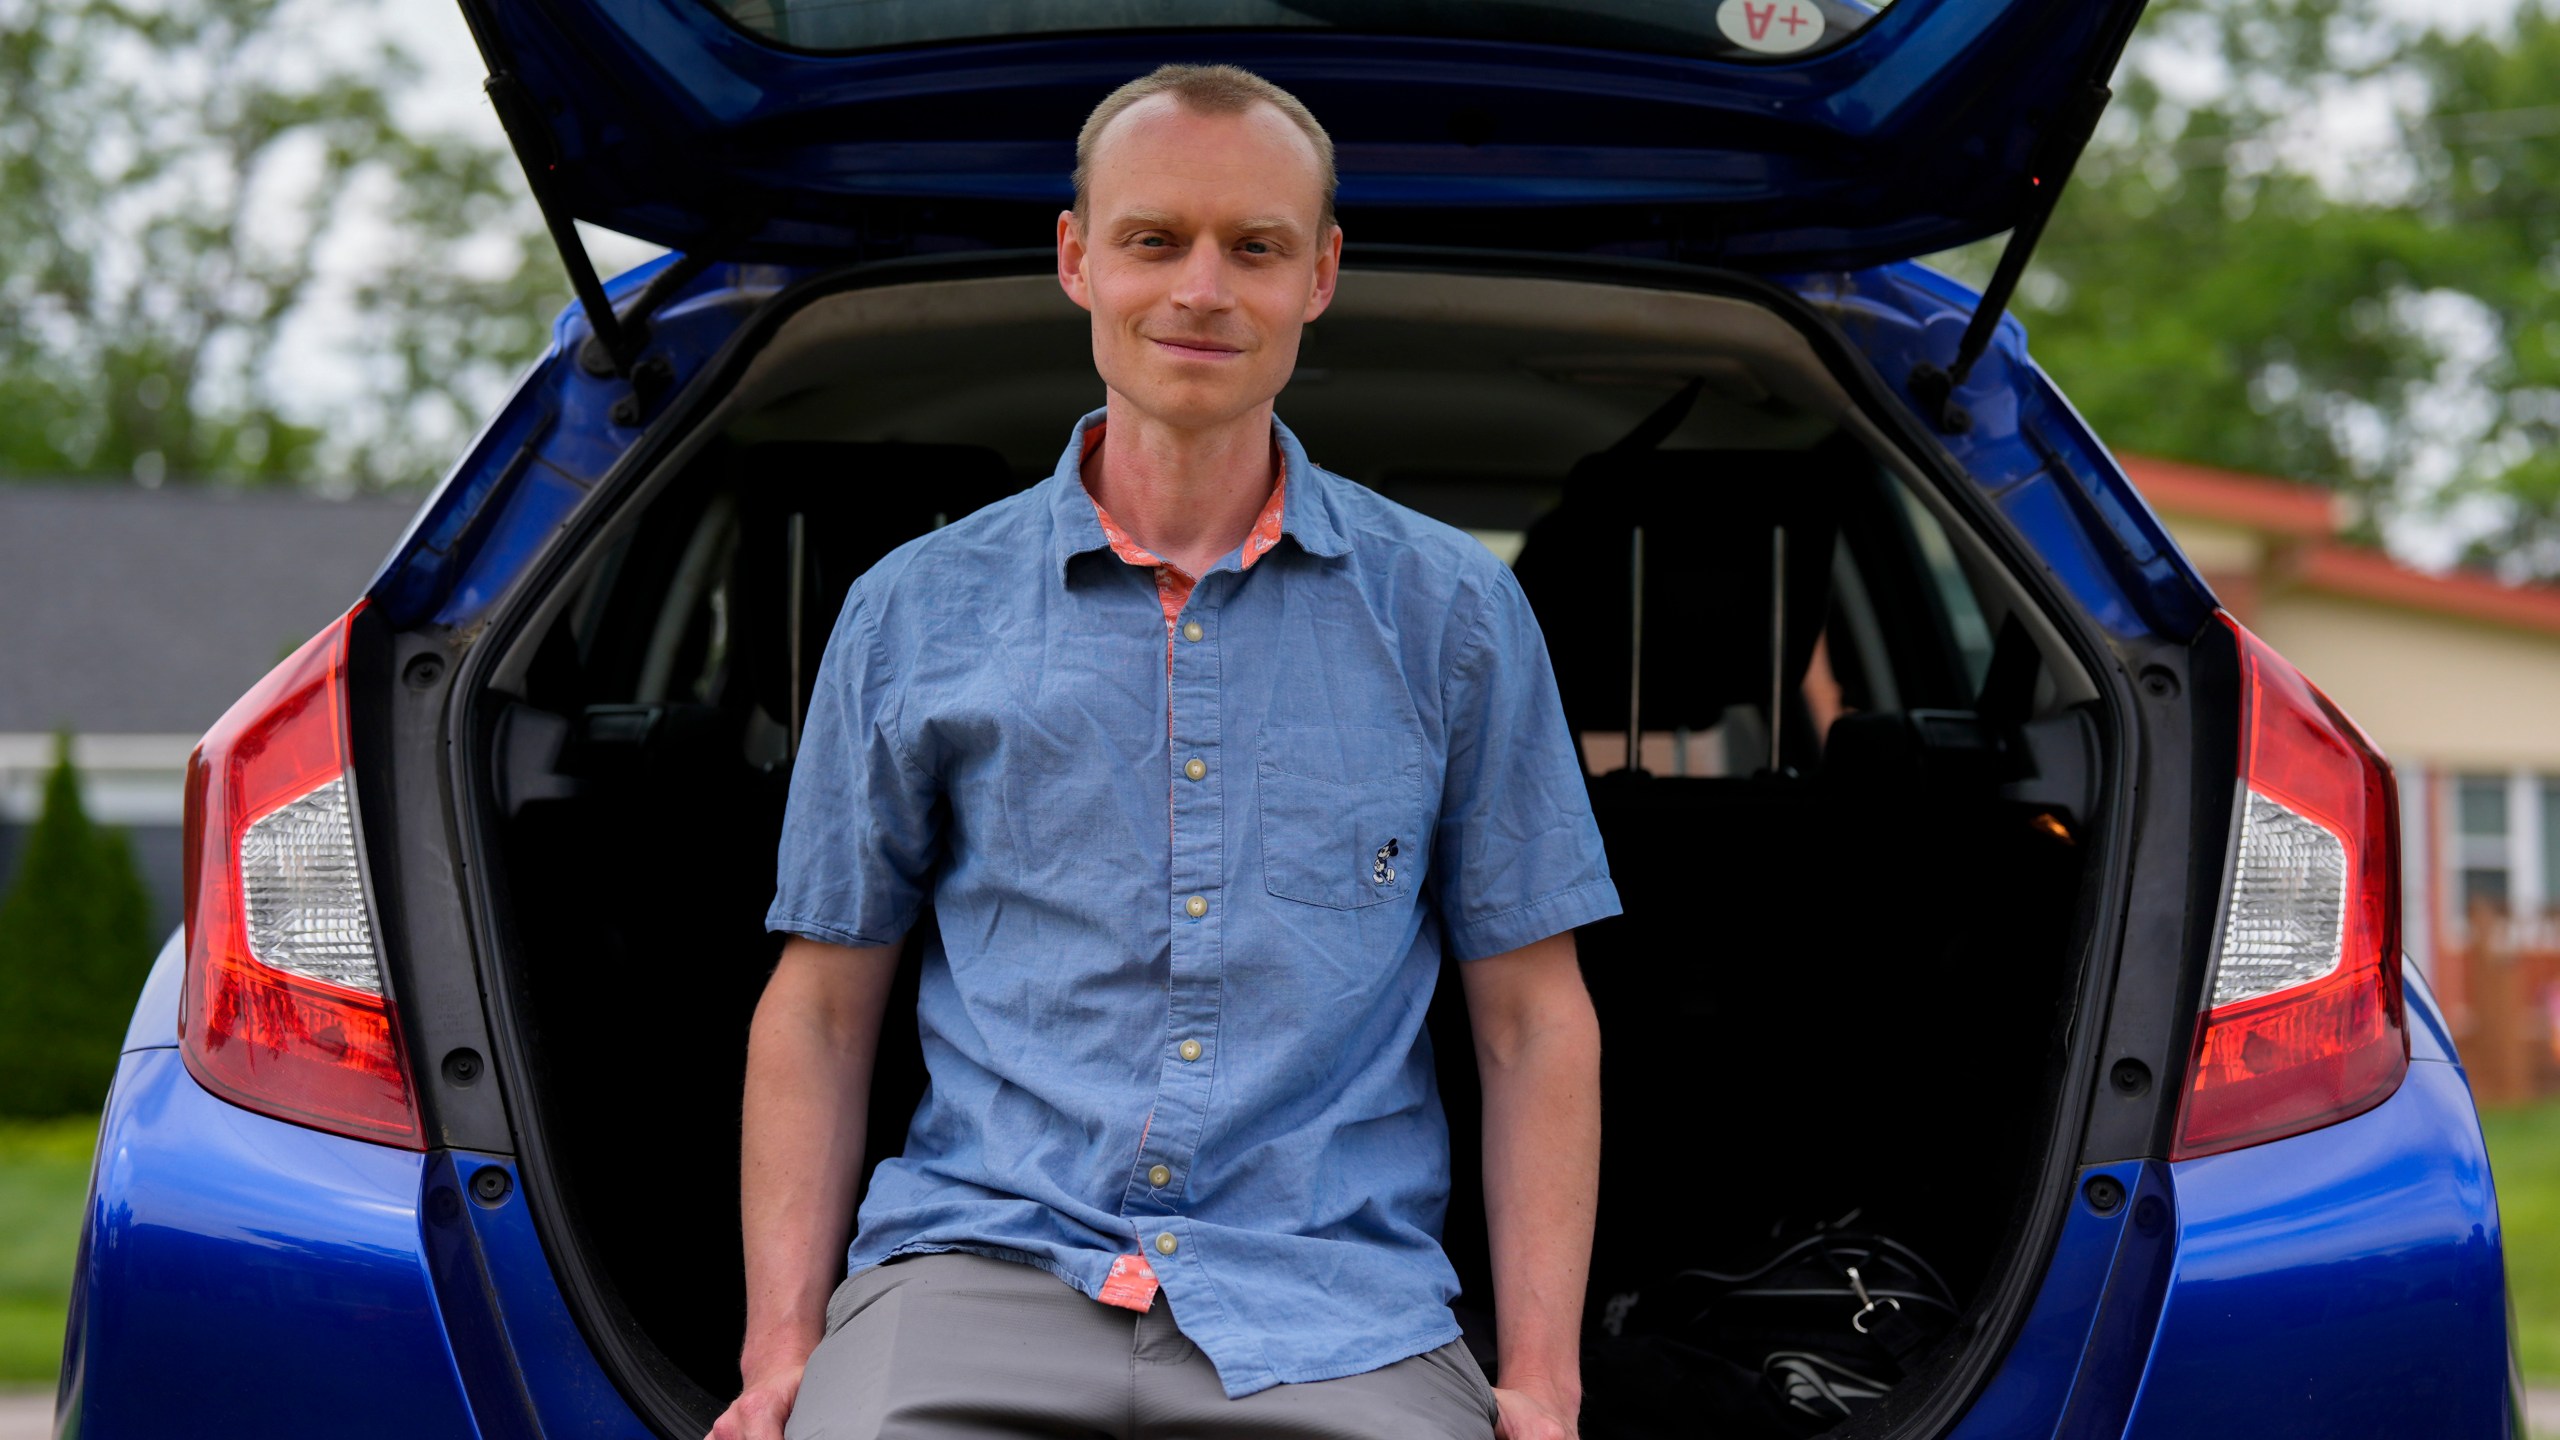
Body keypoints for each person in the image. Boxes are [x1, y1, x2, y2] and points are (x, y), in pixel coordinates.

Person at [710, 63, 1616, 1440]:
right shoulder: (912, 609)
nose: (1202, 288)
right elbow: (824, 1003)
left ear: (1319, 275)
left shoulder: (1454, 617)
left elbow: (1535, 1021)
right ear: (1078, 258)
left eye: (1254, 247)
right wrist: (782, 1351)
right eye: (1154, 240)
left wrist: (1542, 1386)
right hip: (976, 1274)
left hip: (1338, 1308)